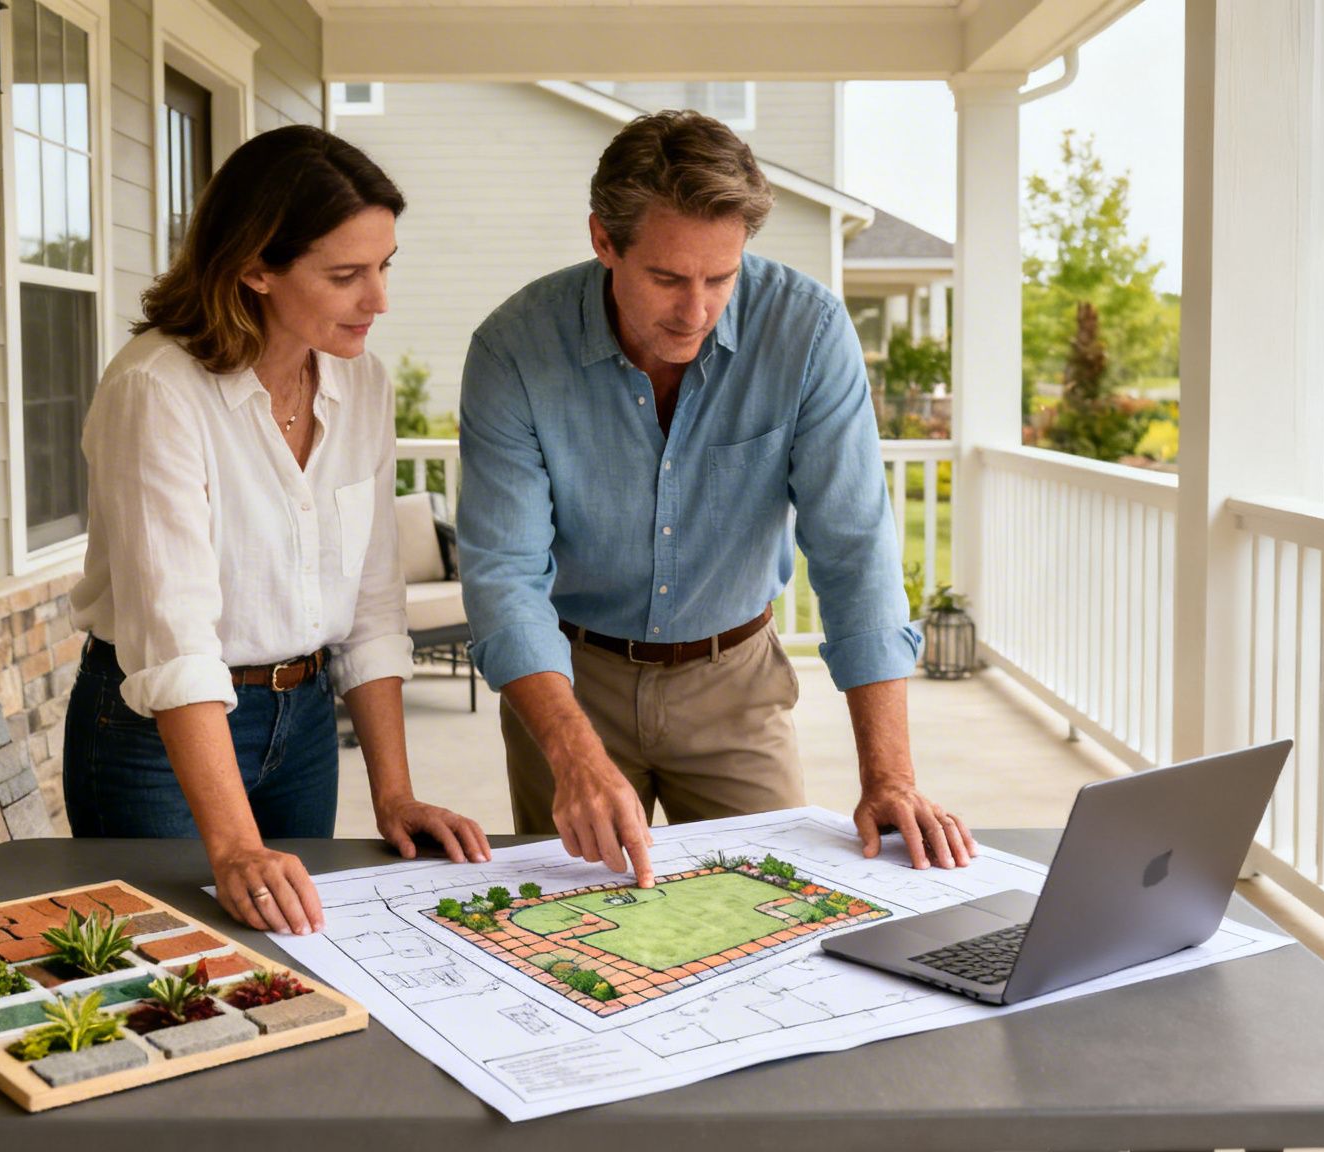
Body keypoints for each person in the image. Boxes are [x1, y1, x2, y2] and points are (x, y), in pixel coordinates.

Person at [457, 111, 975, 888]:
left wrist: (891, 776)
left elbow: (854, 548)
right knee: (571, 935)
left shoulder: (807, 331)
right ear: (604, 241)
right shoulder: (515, 350)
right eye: (666, 278)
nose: (696, 311)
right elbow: (503, 572)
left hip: (735, 679)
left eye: (720, 278)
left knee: (771, 917)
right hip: (571, 678)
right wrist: (571, 752)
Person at [64, 126, 488, 936]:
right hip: (158, 737)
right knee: (180, 974)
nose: (380, 299)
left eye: (384, 265)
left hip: (304, 727)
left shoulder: (359, 382)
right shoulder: (157, 390)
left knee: (297, 960)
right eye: (345, 275)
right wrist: (232, 847)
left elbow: (371, 599)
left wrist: (393, 795)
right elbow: (176, 639)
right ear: (255, 266)